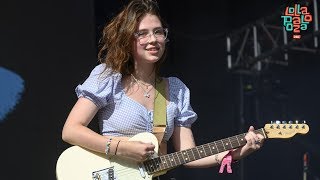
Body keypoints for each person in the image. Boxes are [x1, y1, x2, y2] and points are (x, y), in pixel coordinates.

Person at [61, 0, 264, 178]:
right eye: (143, 33)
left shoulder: (176, 89)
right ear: (127, 39)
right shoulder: (108, 76)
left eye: (158, 32)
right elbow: (71, 130)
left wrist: (235, 154)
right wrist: (123, 148)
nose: (153, 40)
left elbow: (188, 155)